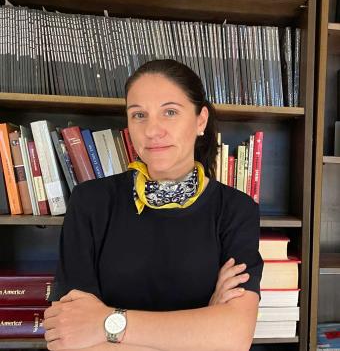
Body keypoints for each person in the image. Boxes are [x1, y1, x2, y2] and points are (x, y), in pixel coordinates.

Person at [43, 59, 263, 351]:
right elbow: (67, 337)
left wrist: (104, 324)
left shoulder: (236, 210)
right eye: (139, 115)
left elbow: (234, 338)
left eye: (170, 112)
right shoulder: (90, 202)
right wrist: (204, 328)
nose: (152, 130)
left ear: (201, 120)